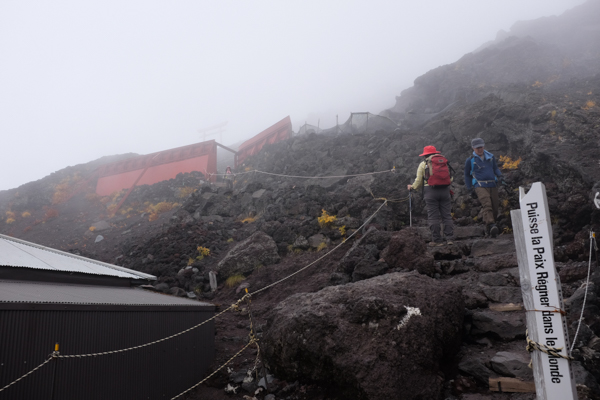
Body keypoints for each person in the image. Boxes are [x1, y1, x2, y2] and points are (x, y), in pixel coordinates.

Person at [407, 145, 454, 246]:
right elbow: (450, 179)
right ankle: (449, 238)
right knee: (447, 215)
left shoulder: (423, 164)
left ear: (425, 155)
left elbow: (419, 181)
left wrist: (412, 187)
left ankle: (437, 240)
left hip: (430, 191)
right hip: (445, 191)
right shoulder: (444, 161)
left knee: (433, 217)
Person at [464, 138, 505, 238]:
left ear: (484, 146)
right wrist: (469, 188)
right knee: (487, 205)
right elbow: (467, 175)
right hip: (480, 185)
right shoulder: (470, 160)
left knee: (495, 207)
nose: (479, 149)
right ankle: (491, 224)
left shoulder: (490, 157)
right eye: (477, 147)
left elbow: (495, 168)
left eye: (481, 147)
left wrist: (500, 176)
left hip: (492, 184)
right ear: (473, 148)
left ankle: (490, 229)